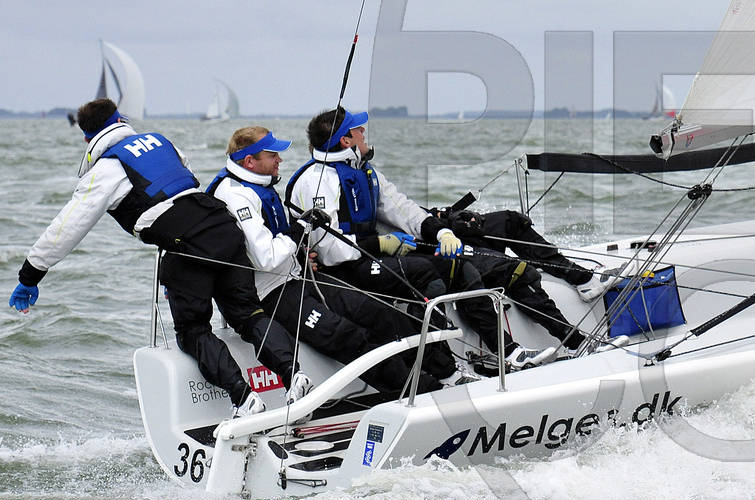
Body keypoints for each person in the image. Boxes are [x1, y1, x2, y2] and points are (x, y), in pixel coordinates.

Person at [9, 98, 297, 413]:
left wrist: (30, 275)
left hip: (187, 248)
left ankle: (244, 400)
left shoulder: (105, 170)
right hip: (223, 225)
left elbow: (67, 227)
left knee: (193, 331)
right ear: (120, 121)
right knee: (249, 315)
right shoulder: (161, 141)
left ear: (87, 138)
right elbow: (185, 184)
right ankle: (295, 376)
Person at [286, 108, 590, 363]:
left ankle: (525, 348)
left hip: (373, 257)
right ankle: (462, 361)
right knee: (445, 271)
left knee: (473, 264)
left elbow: (404, 210)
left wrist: (442, 231)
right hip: (344, 271)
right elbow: (330, 250)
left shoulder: (365, 172)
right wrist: (382, 243)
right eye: (358, 130)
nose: (364, 133)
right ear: (346, 140)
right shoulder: (316, 181)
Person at [207, 126, 434, 396]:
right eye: (273, 155)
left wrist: (302, 250)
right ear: (249, 161)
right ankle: (415, 390)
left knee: (374, 311)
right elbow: (267, 257)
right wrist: (300, 228)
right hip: (270, 294)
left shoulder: (259, 184)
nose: (280, 159)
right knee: (346, 335)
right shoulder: (234, 195)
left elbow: (278, 241)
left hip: (296, 277)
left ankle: (437, 373)